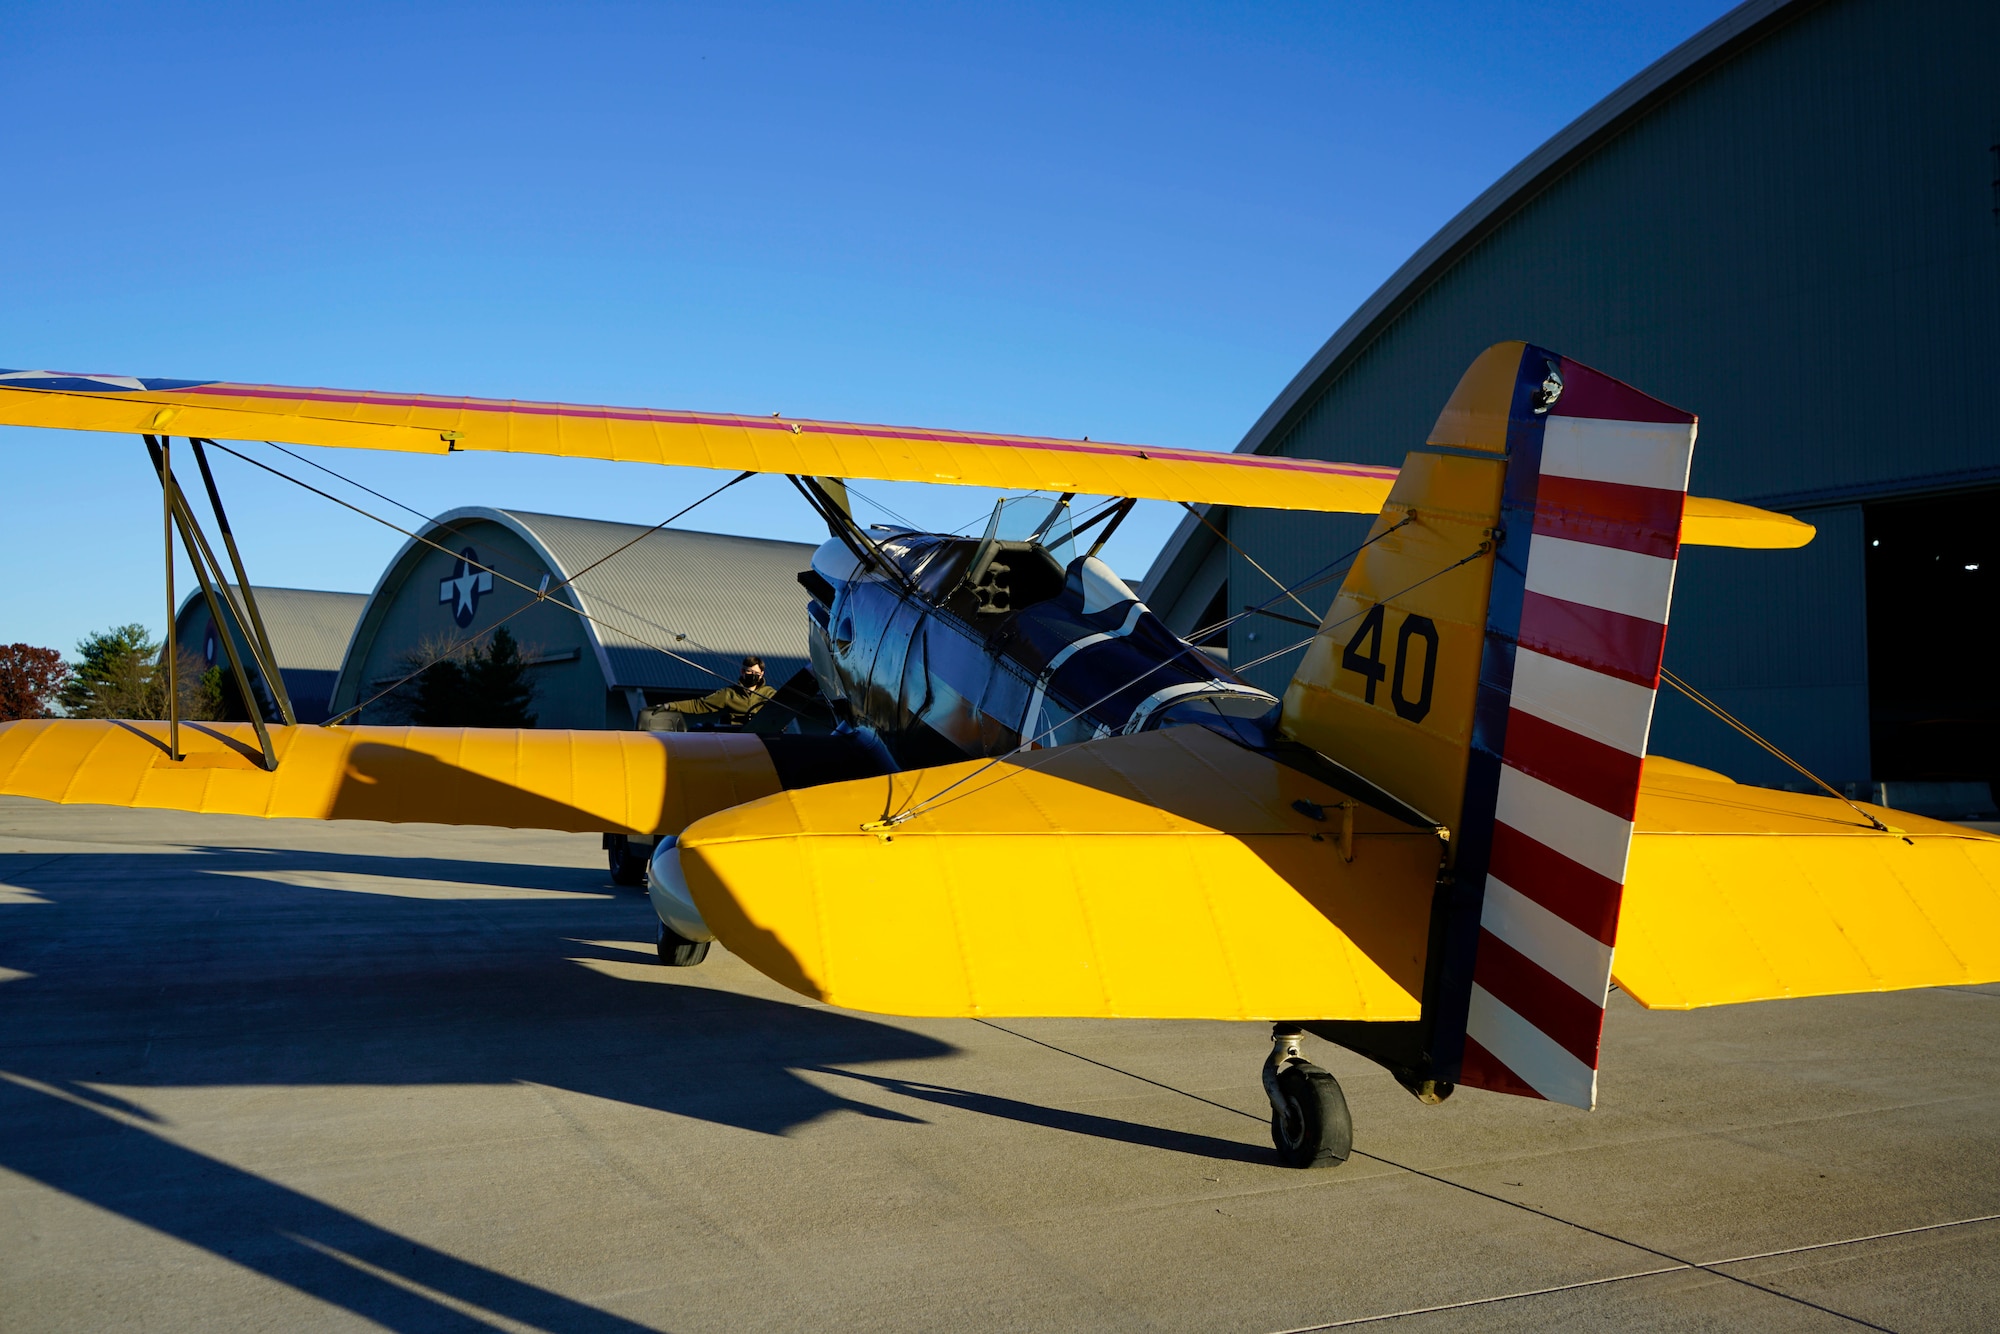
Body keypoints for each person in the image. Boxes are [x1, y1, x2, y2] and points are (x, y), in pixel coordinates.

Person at [638, 657, 775, 731]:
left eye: (757, 673)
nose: (753, 675)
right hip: (737, 736)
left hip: (763, 737)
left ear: (762, 674)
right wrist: (669, 706)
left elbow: (786, 708)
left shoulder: (770, 694)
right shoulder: (729, 694)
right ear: (742, 672)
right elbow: (699, 705)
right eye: (749, 672)